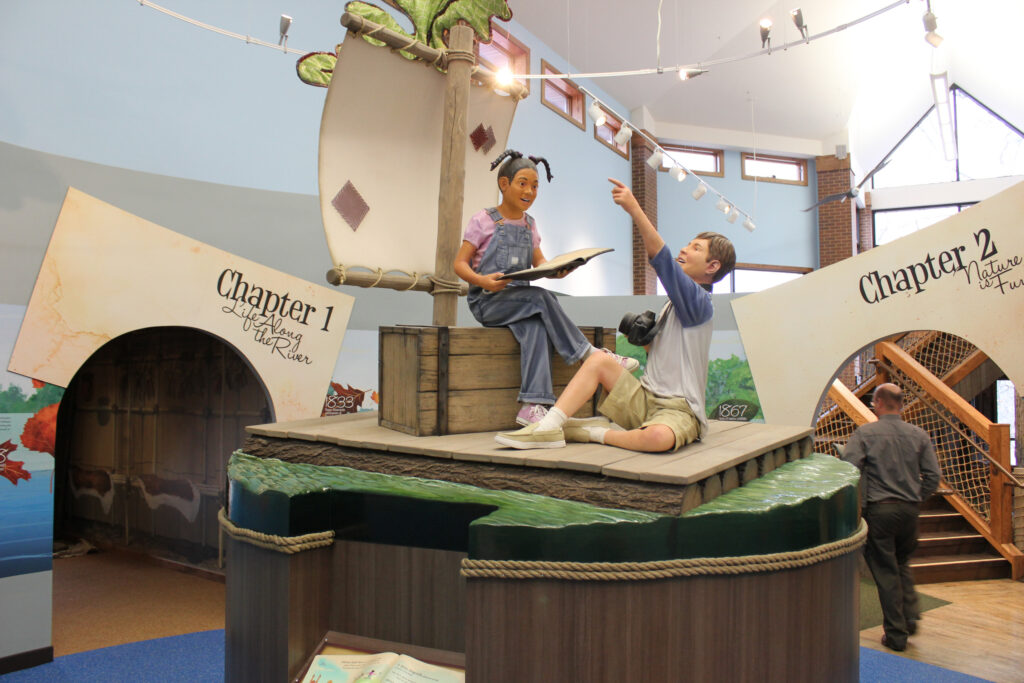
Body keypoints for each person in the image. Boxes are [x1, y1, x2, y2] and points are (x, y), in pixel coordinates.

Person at [494, 177, 736, 452]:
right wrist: (647, 341)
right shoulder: (674, 305)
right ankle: (549, 427)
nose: (684, 248)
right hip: (644, 398)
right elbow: (666, 359)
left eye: (696, 248)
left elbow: (660, 258)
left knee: (657, 439)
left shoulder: (699, 301)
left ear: (712, 266)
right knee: (598, 359)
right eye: (689, 244)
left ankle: (592, 432)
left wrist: (634, 208)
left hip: (679, 410)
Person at [454, 150, 639, 427]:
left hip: (522, 302)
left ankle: (532, 406)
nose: (530, 190)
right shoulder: (483, 220)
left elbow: (540, 264)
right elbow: (459, 264)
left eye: (535, 185)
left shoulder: (530, 225)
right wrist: (482, 281)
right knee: (540, 298)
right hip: (488, 301)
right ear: (504, 184)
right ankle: (590, 354)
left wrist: (559, 270)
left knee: (536, 329)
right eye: (523, 183)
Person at [841, 382, 941, 652]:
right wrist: (917, 497)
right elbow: (933, 476)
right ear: (901, 403)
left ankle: (896, 636)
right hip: (910, 511)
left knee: (885, 572)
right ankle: (909, 617)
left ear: (878, 403)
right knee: (902, 562)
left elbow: (848, 468)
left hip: (880, 511)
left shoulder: (865, 433)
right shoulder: (919, 435)